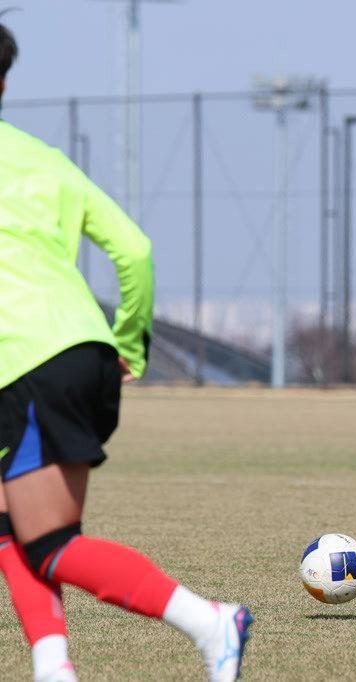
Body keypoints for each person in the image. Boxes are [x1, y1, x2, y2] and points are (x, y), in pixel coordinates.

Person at [0, 18, 252, 681]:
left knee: (50, 542)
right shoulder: (44, 158)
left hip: (23, 361)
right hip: (79, 348)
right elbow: (134, 249)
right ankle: (53, 666)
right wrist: (129, 343)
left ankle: (210, 621)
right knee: (11, 522)